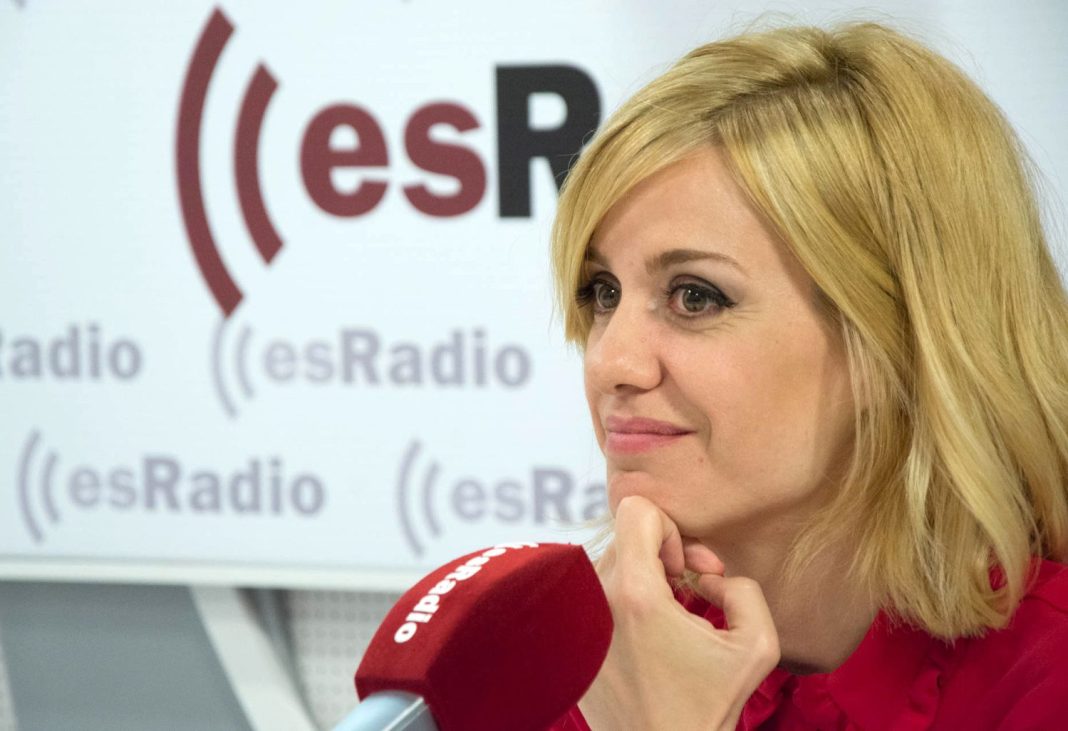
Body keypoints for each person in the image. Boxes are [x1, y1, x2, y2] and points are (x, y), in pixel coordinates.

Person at [546, 20, 1068, 731]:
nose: (610, 360)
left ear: (895, 343)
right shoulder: (607, 649)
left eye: (695, 297)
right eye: (603, 292)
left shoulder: (1046, 680)